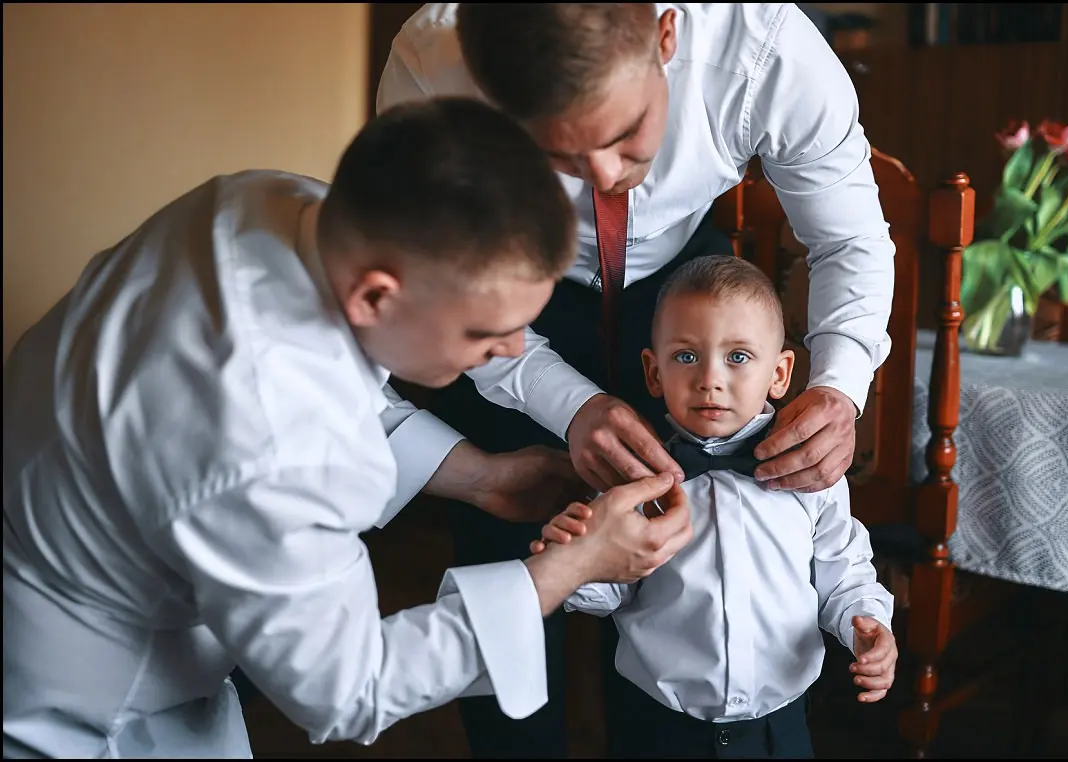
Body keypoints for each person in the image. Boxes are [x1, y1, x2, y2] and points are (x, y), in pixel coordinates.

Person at [1, 96, 694, 760]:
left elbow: (322, 380)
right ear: (376, 296)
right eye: (489, 332)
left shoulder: (265, 202)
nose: (515, 350)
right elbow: (349, 689)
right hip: (88, 704)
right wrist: (570, 567)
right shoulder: (264, 439)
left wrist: (483, 477)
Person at [374, 3, 896, 757]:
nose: (603, 178)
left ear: (666, 36)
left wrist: (842, 385)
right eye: (555, 155)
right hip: (512, 284)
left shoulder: (767, 46)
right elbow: (448, 284)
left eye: (623, 136)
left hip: (680, 293)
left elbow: (849, 237)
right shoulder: (432, 70)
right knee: (505, 539)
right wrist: (567, 404)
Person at [534, 255, 898, 759]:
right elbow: (609, 594)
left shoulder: (812, 475)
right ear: (653, 371)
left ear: (780, 373)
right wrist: (574, 559)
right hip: (658, 729)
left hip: (780, 728)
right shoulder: (630, 478)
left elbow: (845, 573)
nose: (710, 379)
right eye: (686, 357)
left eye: (738, 357)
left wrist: (867, 622)